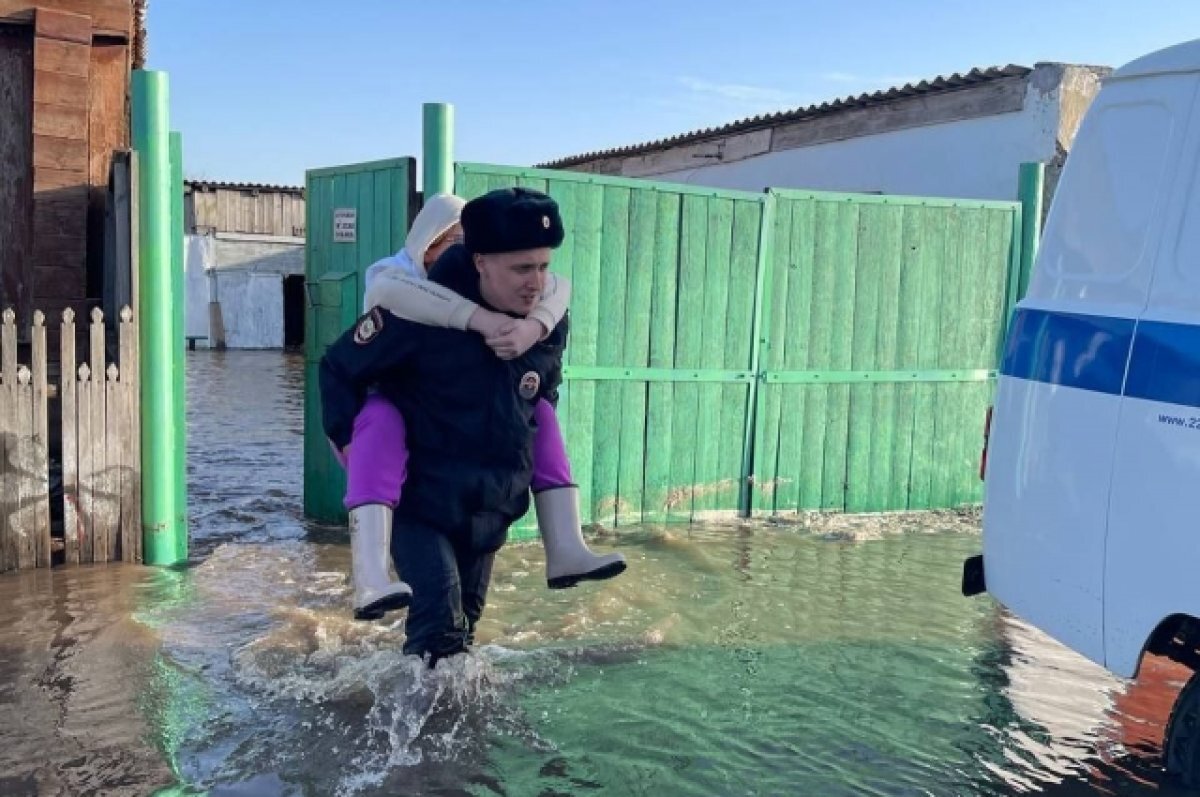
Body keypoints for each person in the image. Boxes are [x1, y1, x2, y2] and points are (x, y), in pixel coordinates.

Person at [321, 187, 586, 664]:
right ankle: (414, 733)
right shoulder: (416, 315)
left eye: (543, 267)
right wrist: (346, 438)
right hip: (421, 501)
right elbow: (339, 367)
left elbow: (545, 389)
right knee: (439, 621)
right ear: (480, 261)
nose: (536, 282)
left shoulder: (547, 320)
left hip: (488, 503)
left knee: (466, 625)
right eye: (522, 269)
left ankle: (451, 724)